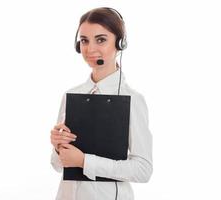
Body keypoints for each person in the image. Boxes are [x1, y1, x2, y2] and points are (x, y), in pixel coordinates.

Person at [50, 7, 153, 200]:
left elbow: (143, 169)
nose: (90, 49)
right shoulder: (71, 94)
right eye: (84, 41)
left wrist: (84, 162)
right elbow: (57, 165)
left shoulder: (133, 99)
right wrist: (57, 146)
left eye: (101, 39)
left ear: (120, 43)